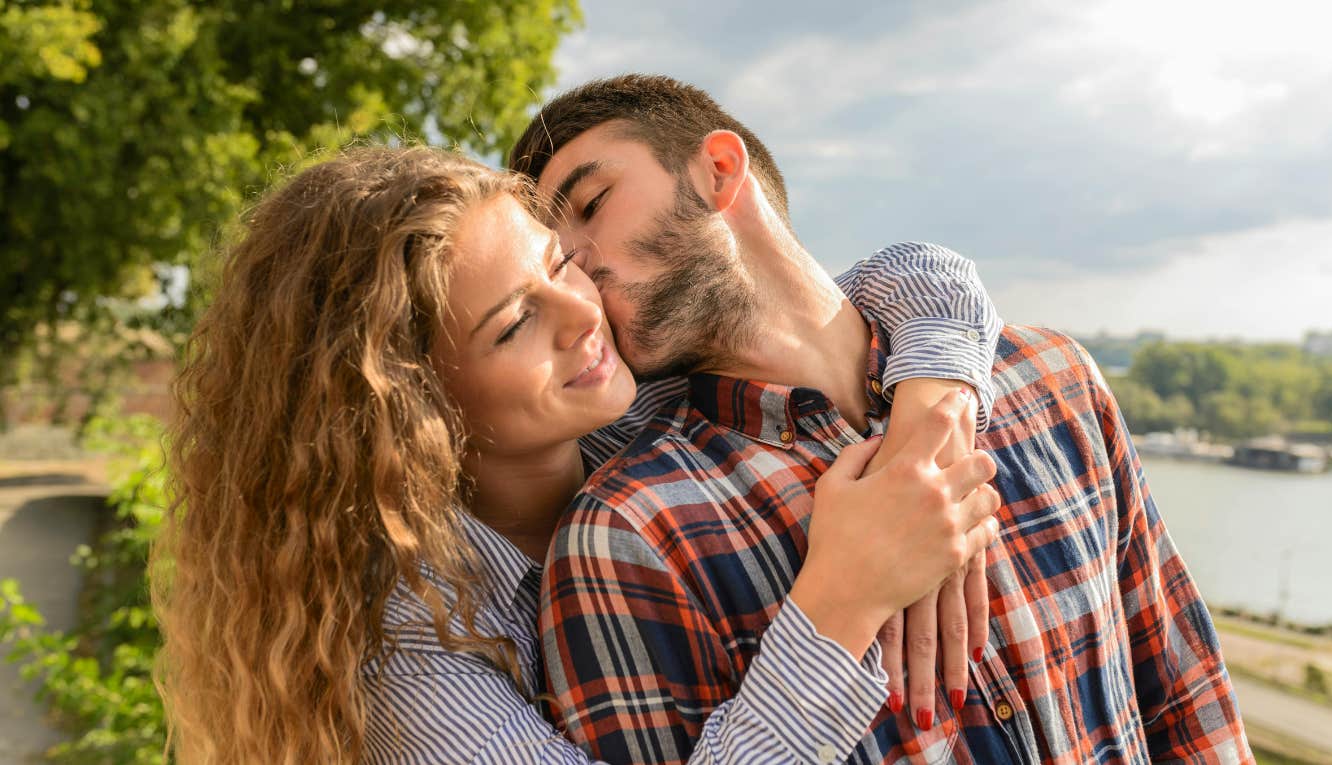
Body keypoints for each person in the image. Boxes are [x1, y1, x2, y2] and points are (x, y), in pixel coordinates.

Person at [152, 145, 1008, 763]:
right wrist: (842, 600)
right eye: (516, 323)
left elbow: (906, 279)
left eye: (562, 261)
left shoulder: (638, 408)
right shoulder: (409, 652)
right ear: (411, 406)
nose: (582, 312)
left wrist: (928, 426)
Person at [510, 74, 1252, 763]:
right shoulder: (625, 538)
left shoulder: (1055, 380)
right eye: (555, 259)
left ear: (720, 171)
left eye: (591, 204)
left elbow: (1187, 703)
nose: (576, 265)